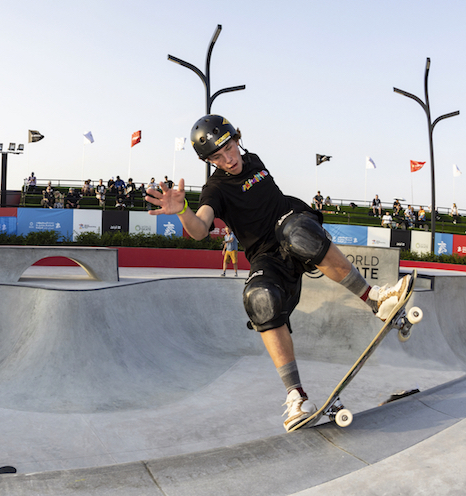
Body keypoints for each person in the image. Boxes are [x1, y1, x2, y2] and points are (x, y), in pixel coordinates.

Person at [146, 114, 411, 432]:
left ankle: (376, 299)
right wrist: (184, 212)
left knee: (297, 233)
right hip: (267, 258)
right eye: (218, 157)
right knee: (259, 300)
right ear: (210, 161)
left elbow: (270, 201)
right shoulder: (215, 188)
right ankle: (296, 397)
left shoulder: (254, 160)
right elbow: (201, 228)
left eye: (229, 148)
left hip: (292, 223)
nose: (229, 159)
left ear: (236, 140)